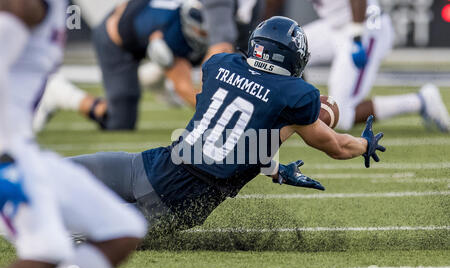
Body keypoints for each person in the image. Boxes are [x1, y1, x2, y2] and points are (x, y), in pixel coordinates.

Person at [69, 16, 385, 234]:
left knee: (62, 173)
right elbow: (334, 145)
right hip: (185, 198)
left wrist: (271, 166)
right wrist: (364, 144)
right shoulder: (295, 95)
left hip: (153, 164)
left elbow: (235, 129)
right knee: (91, 235)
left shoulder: (221, 65)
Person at [0, 0, 147, 268]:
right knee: (47, 248)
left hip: (22, 149)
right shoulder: (27, 6)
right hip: (8, 150)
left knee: (121, 228)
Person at [34, 0, 209, 132]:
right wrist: (215, 114)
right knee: (120, 122)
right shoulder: (172, 32)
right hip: (115, 42)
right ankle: (59, 93)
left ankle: (152, 81)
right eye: (201, 32)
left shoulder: (182, 17)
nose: (205, 35)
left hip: (140, 34)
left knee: (166, 56)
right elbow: (183, 87)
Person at [302, 0, 450, 132]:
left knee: (340, 116)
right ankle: (298, 105)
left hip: (365, 25)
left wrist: (357, 35)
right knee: (285, 46)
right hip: (334, 25)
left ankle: (420, 101)